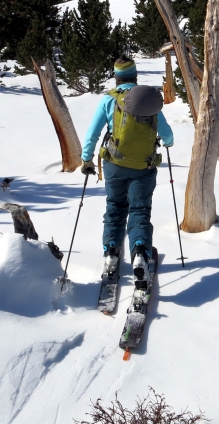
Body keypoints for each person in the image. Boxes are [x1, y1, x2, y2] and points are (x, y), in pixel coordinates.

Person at [80, 56, 174, 282]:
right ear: (135, 75)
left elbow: (92, 133)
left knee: (115, 206)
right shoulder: (146, 100)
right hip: (144, 166)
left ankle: (111, 251)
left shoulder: (109, 100)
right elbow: (167, 133)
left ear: (116, 77)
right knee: (140, 210)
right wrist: (168, 143)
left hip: (114, 164)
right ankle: (140, 251)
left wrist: (87, 159)